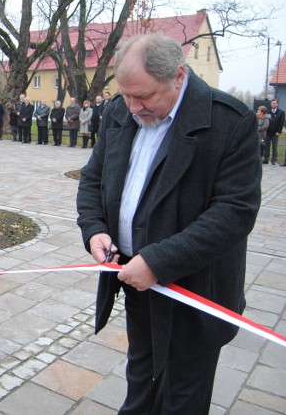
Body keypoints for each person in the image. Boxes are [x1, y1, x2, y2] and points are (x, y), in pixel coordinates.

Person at [76, 33, 261, 414]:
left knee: (182, 398)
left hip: (196, 294)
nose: (132, 107)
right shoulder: (118, 112)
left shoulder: (228, 121)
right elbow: (93, 179)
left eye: (143, 96)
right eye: (125, 95)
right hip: (136, 281)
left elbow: (235, 211)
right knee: (141, 380)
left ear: (178, 76)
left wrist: (160, 261)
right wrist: (94, 229)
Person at [265, 99, 284, 165]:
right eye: (272, 103)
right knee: (266, 146)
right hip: (267, 132)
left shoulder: (281, 112)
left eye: (274, 103)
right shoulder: (268, 112)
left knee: (274, 147)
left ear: (277, 104)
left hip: (275, 133)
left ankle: (274, 160)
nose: (273, 104)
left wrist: (279, 131)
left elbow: (281, 123)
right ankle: (266, 159)